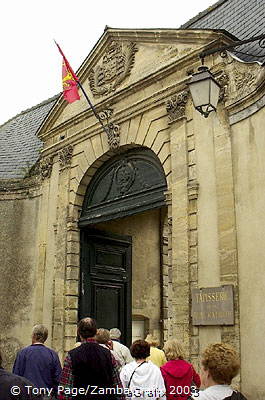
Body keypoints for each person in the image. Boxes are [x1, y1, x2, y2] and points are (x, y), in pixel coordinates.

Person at [58, 317, 125, 400]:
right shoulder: (108, 354)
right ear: (96, 332)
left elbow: (65, 389)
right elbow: (117, 386)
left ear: (78, 332)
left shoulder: (72, 356)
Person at [13, 324, 62, 399]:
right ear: (45, 338)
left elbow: (16, 378)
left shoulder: (22, 353)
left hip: (27, 395)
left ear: (33, 336)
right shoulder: (52, 354)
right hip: (46, 395)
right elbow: (58, 379)